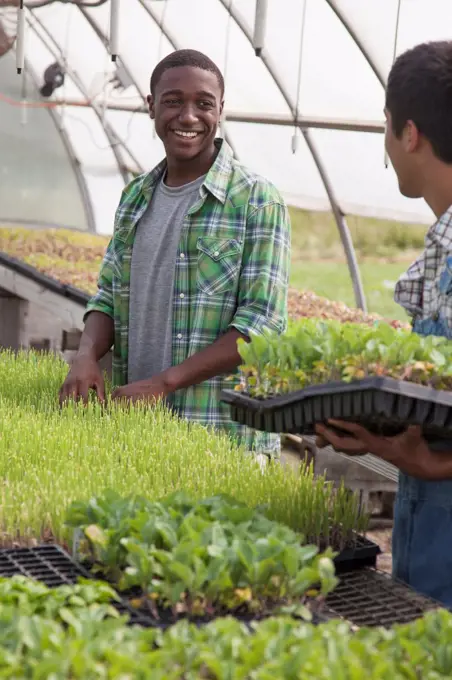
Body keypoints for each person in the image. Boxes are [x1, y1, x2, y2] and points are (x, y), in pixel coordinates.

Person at [59, 49, 290, 459]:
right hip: (138, 427)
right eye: (172, 101)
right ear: (151, 107)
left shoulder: (256, 200)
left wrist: (165, 382)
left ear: (221, 111)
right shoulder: (136, 197)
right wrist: (85, 355)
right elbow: (109, 295)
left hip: (220, 439)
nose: (188, 117)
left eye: (204, 104)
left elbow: (261, 326)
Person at [316, 40, 452, 607]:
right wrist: (390, 441)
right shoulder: (440, 249)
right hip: (429, 533)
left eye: (388, 127)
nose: (389, 146)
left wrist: (431, 464)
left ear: (410, 133)